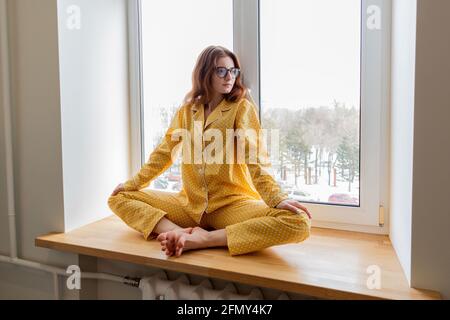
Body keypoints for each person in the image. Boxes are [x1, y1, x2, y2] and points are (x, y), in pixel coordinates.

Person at [108, 45, 312, 257]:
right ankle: (178, 233)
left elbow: (256, 159)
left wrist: (277, 199)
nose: (229, 77)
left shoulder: (241, 109)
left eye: (233, 71)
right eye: (221, 71)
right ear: (205, 73)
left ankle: (205, 239)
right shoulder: (187, 111)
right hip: (189, 206)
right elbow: (163, 154)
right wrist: (131, 184)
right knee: (118, 197)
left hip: (230, 206)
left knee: (298, 222)